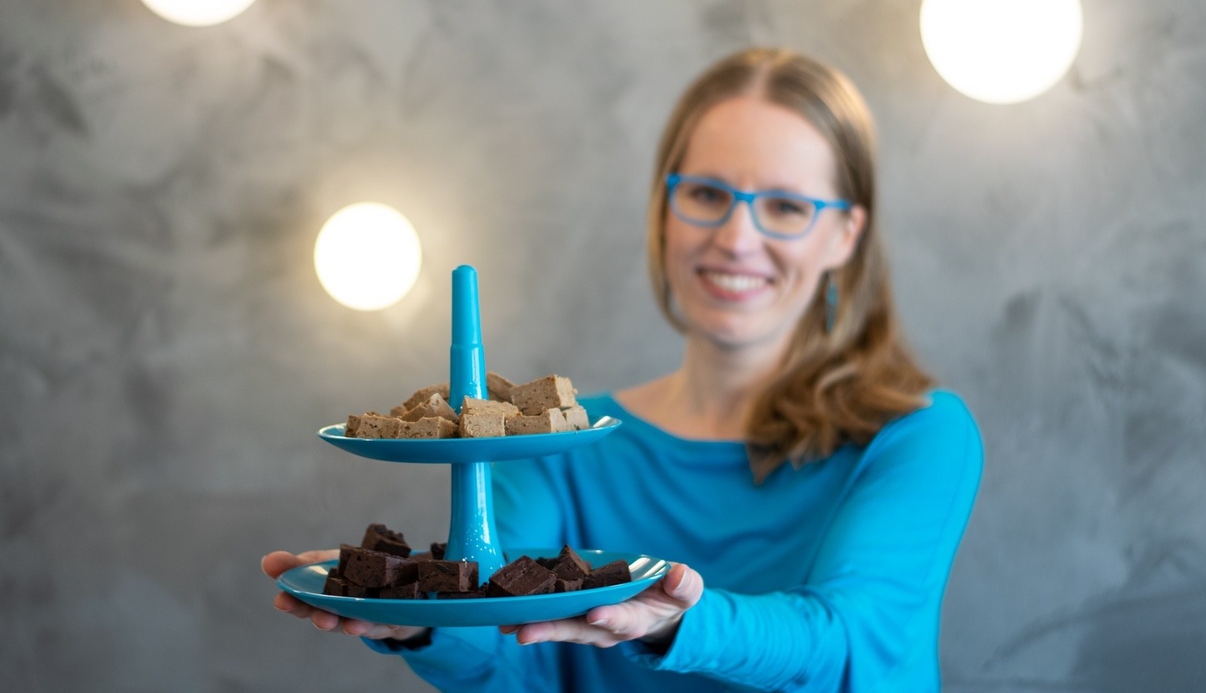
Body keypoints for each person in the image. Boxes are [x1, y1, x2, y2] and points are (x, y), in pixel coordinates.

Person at [262, 47, 982, 692]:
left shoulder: (918, 437)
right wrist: (421, 624)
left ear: (845, 235)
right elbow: (506, 663)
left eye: (787, 206)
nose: (737, 238)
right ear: (665, 210)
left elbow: (851, 645)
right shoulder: (559, 448)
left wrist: (676, 623)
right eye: (708, 194)